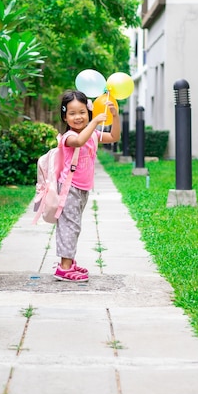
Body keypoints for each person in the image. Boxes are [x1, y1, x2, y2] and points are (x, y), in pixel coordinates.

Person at [54, 89, 120, 282]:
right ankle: (64, 268)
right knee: (69, 226)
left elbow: (114, 137)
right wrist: (94, 122)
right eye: (72, 113)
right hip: (68, 188)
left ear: (88, 111)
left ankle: (70, 262)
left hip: (82, 189)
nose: (78, 117)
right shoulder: (68, 138)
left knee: (74, 226)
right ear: (65, 117)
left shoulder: (93, 134)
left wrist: (114, 116)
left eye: (82, 112)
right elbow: (79, 140)